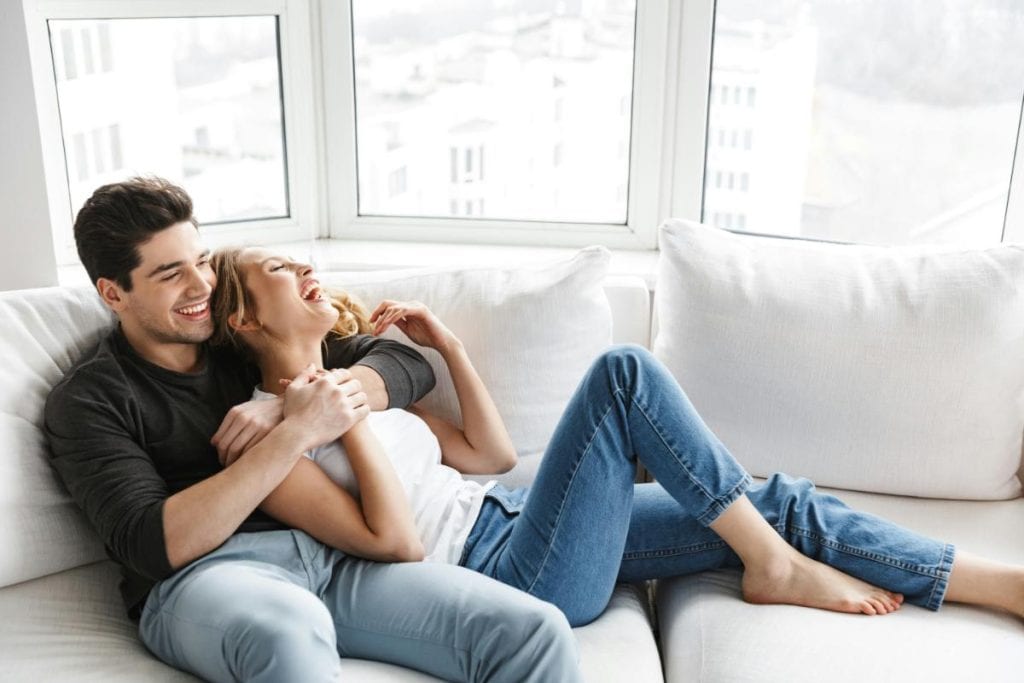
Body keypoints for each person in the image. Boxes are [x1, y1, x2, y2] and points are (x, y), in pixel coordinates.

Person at [209, 243, 1024, 628]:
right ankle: (772, 564)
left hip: (509, 513)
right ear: (243, 317)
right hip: (510, 577)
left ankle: (1000, 585)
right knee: (623, 375)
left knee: (776, 498)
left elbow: (488, 457)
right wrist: (325, 419)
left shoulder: (367, 385)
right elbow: (392, 541)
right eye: (276, 271)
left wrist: (446, 347)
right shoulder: (274, 446)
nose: (301, 268)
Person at [44, 177, 583, 683]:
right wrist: (294, 432)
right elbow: (154, 544)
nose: (201, 286)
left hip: (334, 559)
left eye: (202, 262)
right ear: (113, 294)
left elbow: (403, 364)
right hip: (209, 580)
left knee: (534, 632)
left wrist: (291, 405)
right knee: (288, 629)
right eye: (170, 275)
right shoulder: (90, 399)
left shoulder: (232, 339)